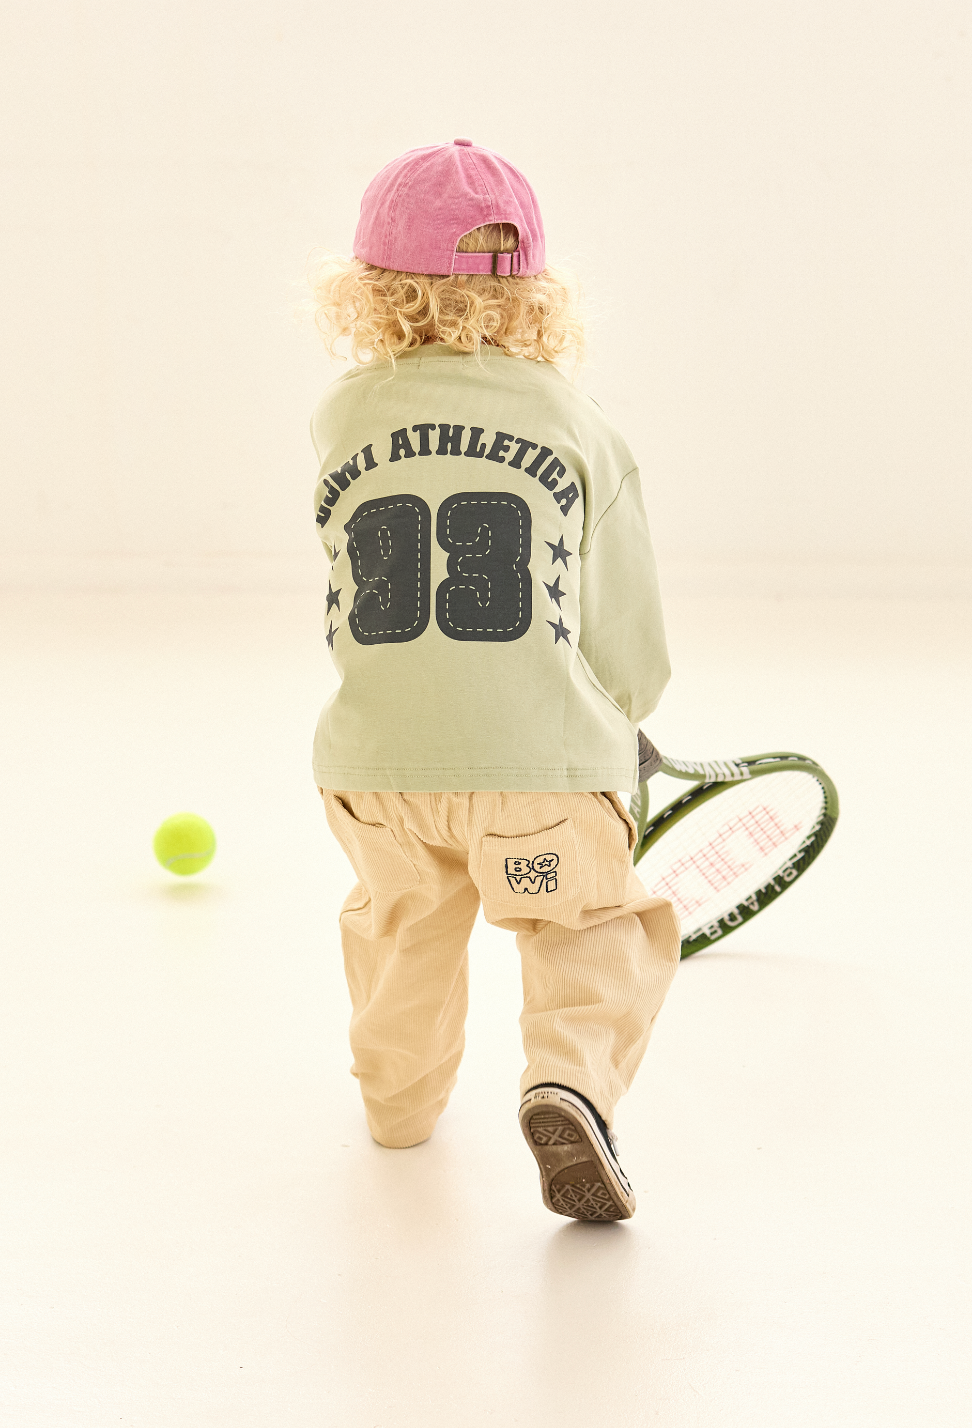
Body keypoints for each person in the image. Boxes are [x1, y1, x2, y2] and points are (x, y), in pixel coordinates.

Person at [307, 139, 680, 1222]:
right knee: (588, 927)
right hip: (536, 775)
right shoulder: (577, 423)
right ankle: (569, 1082)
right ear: (536, 295)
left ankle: (397, 1108)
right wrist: (624, 720)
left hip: (376, 767)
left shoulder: (342, 419)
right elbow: (630, 637)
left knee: (399, 932)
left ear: (368, 291)